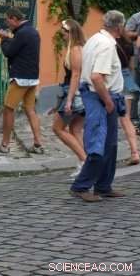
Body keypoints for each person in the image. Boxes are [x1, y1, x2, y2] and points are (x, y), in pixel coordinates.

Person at [70, 11, 127, 202]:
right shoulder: (107, 45)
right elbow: (96, 77)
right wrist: (109, 101)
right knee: (98, 143)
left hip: (98, 95)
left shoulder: (95, 38)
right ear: (119, 27)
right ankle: (81, 185)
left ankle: (103, 186)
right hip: (101, 97)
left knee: (109, 144)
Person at [0, 8, 43, 155]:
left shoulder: (22, 33)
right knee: (30, 109)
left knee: (8, 109)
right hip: (32, 77)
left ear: (14, 18)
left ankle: (4, 145)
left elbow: (9, 52)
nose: (8, 24)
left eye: (8, 21)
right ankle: (38, 144)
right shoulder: (32, 31)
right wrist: (10, 38)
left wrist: (4, 39)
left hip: (20, 78)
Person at [51, 20, 86, 178]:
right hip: (77, 94)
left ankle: (84, 161)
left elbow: (76, 76)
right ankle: (85, 163)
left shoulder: (75, 50)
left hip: (76, 94)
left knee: (58, 128)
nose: (62, 35)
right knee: (75, 129)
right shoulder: (76, 49)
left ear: (71, 33)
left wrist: (69, 100)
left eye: (64, 32)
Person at [115, 34, 140, 164]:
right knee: (126, 119)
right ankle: (135, 152)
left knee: (108, 118)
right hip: (127, 78)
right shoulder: (128, 43)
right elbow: (131, 66)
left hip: (114, 80)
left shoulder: (109, 43)